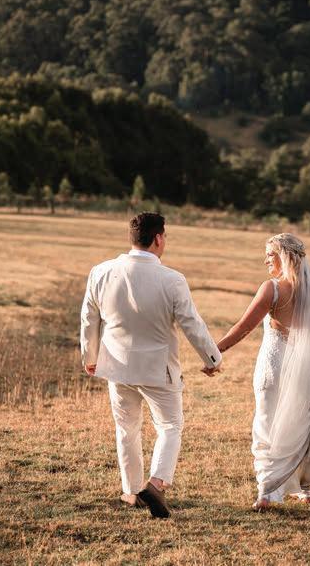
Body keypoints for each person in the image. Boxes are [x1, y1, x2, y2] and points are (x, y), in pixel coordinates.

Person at [80, 212, 222, 519]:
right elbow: (192, 324)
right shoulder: (172, 279)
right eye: (165, 236)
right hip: (159, 369)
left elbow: (89, 318)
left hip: (117, 365)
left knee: (126, 428)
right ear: (158, 238)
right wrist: (212, 359)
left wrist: (90, 357)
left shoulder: (100, 271)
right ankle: (156, 484)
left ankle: (131, 492)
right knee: (170, 426)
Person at [216, 232, 310, 511]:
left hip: (273, 365)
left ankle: (267, 491)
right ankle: (302, 488)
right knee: (299, 425)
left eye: (269, 255)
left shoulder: (271, 288)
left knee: (266, 423)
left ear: (284, 257)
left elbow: (244, 327)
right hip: (306, 370)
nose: (265, 261)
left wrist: (216, 351)